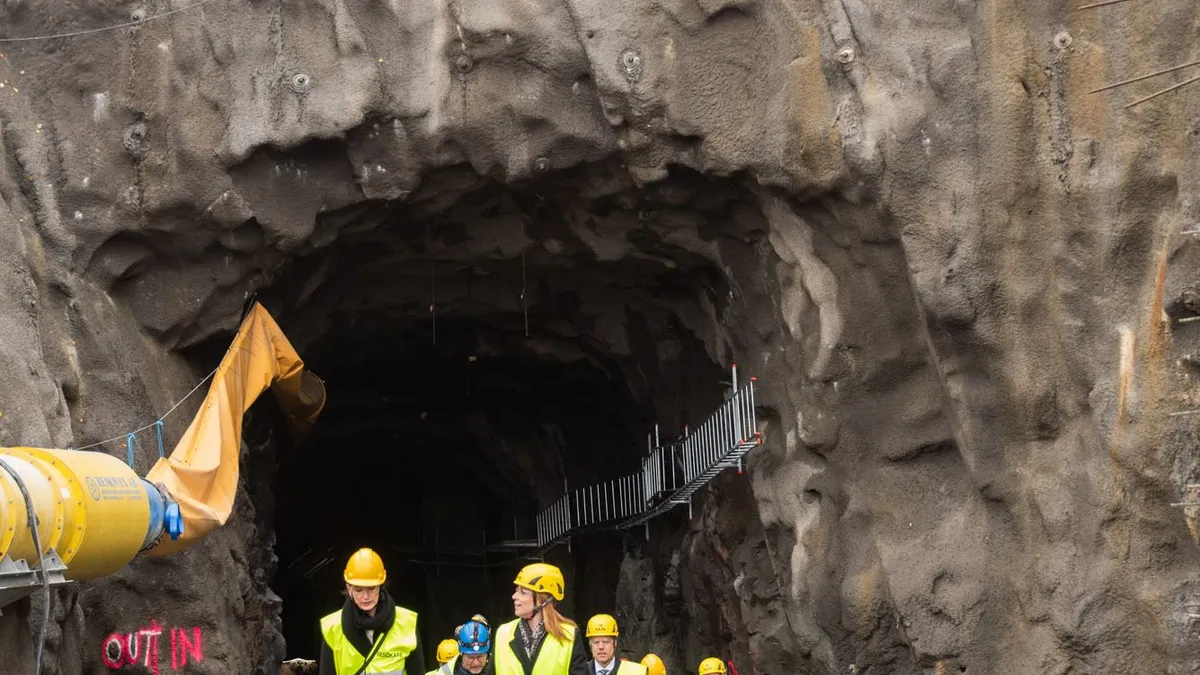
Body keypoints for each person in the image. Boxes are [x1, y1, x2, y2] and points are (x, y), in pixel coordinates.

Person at [319, 548, 425, 675]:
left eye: (371, 588)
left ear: (381, 585)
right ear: (349, 588)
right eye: (358, 590)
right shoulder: (332, 628)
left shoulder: (407, 623)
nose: (365, 597)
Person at [494, 562, 587, 675]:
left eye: (523, 592)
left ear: (541, 600)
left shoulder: (569, 636)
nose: (514, 596)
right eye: (516, 590)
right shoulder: (503, 634)